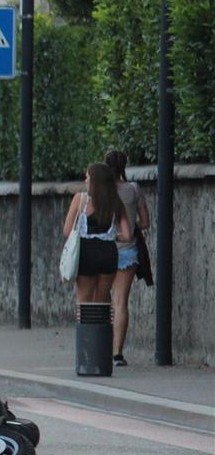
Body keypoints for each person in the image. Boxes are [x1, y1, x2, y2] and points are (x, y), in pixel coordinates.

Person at [104, 150, 150, 367]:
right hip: (127, 250)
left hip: (103, 250)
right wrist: (130, 226)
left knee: (101, 301)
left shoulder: (99, 191)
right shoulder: (133, 189)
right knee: (121, 301)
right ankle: (117, 353)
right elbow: (145, 222)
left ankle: (99, 347)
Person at [62, 162, 131, 306]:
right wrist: (113, 236)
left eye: (87, 177)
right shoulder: (115, 202)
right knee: (103, 298)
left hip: (86, 253)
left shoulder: (80, 199)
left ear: (94, 180)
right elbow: (128, 235)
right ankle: (102, 327)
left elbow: (67, 231)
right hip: (108, 253)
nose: (85, 180)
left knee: (84, 299)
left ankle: (85, 328)